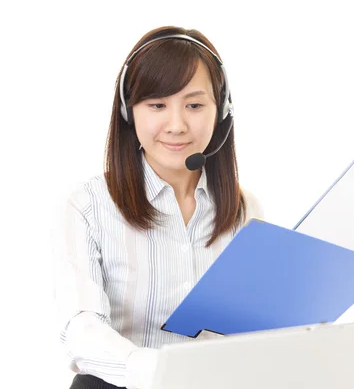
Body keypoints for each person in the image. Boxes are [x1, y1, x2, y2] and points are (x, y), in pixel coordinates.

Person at [53, 26, 264, 389]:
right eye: (157, 105)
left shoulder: (244, 210)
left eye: (195, 105)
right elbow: (80, 327)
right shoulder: (89, 205)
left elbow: (254, 330)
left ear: (222, 110)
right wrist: (157, 371)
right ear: (128, 111)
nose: (177, 125)